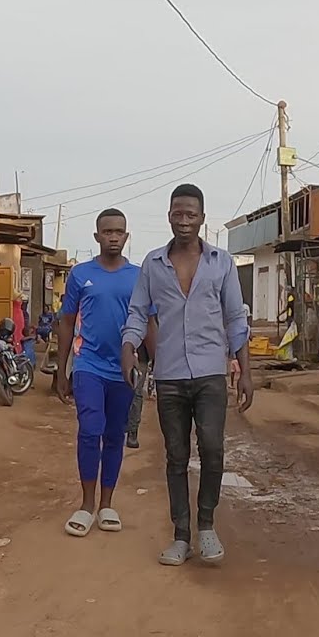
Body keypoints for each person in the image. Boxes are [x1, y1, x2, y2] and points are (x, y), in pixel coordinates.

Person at [123, 183, 251, 567]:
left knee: (212, 449)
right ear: (169, 216)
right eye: (177, 214)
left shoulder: (222, 263)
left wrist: (245, 370)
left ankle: (207, 526)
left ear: (202, 218)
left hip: (211, 373)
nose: (184, 221)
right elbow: (137, 312)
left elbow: (236, 318)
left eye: (191, 215)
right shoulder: (152, 264)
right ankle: (181, 535)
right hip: (170, 375)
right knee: (176, 456)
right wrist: (128, 347)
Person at [55, 209, 150, 537]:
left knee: (114, 435)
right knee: (89, 430)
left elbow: (148, 322)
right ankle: (85, 505)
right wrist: (61, 369)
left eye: (119, 231)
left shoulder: (139, 277)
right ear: (97, 236)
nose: (113, 236)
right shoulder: (81, 275)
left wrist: (158, 366)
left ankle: (107, 504)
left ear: (126, 236)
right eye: (107, 231)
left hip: (123, 370)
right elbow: (67, 321)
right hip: (88, 366)